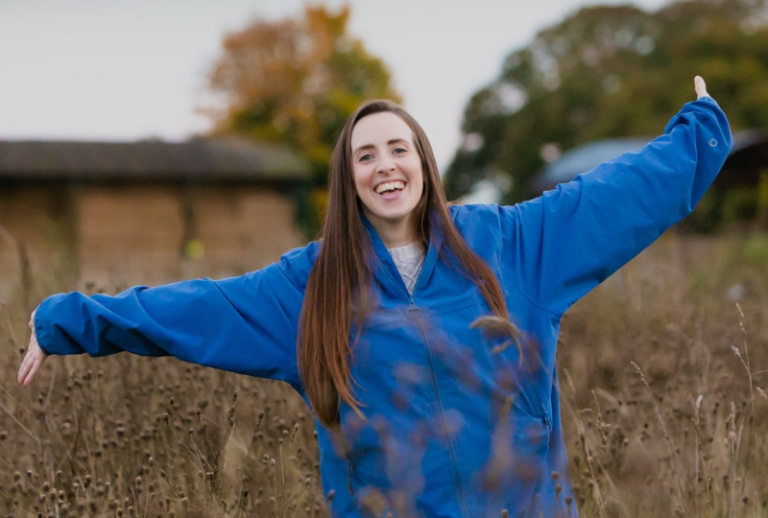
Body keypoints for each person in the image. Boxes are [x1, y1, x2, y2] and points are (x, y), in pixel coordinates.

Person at [19, 77, 730, 518]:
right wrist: (65, 320)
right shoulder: (307, 289)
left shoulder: (510, 246)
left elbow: (617, 198)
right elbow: (191, 309)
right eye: (366, 155)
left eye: (399, 148)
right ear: (348, 179)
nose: (386, 165)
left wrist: (701, 128)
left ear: (424, 161)